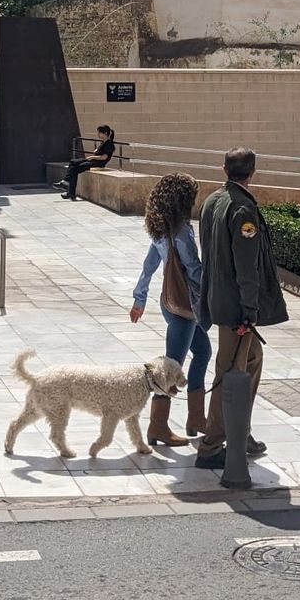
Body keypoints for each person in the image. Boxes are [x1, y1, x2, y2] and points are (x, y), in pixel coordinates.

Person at [192, 147, 287, 470]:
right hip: (235, 308)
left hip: (218, 298)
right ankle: (210, 446)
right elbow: (247, 266)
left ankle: (239, 430)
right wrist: (250, 309)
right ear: (253, 172)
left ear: (224, 169)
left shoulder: (212, 201)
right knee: (230, 373)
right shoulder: (242, 209)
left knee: (252, 360)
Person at [128, 173, 211, 445]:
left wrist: (140, 298)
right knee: (170, 367)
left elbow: (149, 264)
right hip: (184, 307)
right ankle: (158, 426)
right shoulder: (181, 231)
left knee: (203, 351)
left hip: (170, 303)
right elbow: (193, 269)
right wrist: (214, 286)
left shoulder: (161, 228)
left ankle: (195, 418)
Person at [58, 125, 115, 200]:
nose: (98, 134)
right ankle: (67, 184)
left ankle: (70, 191)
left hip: (98, 163)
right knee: (73, 162)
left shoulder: (109, 144)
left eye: (99, 132)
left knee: (74, 169)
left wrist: (92, 157)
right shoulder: (103, 142)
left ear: (105, 133)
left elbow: (104, 157)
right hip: (93, 160)